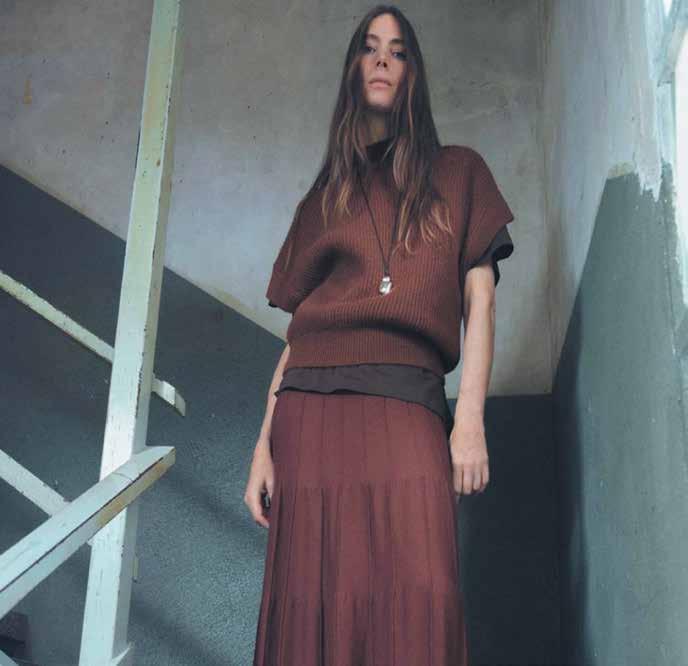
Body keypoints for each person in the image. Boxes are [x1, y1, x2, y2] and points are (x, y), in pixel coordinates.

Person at [245, 5, 515, 664]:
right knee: (314, 605)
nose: (383, 59)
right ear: (353, 69)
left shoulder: (460, 172)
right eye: (370, 47)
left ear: (413, 72)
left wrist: (469, 419)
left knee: (422, 595)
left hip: (409, 406)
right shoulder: (325, 198)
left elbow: (480, 301)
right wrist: (261, 448)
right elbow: (296, 335)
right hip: (309, 412)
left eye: (398, 49)